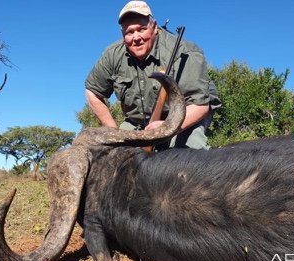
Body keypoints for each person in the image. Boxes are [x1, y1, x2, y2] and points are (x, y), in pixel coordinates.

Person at [85, 1, 221, 150]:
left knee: (190, 155)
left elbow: (200, 105)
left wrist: (167, 127)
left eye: (142, 29)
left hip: (183, 119)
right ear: (123, 34)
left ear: (154, 27)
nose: (136, 37)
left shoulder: (185, 52)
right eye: (129, 32)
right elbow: (93, 91)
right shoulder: (112, 55)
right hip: (137, 123)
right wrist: (113, 132)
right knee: (113, 157)